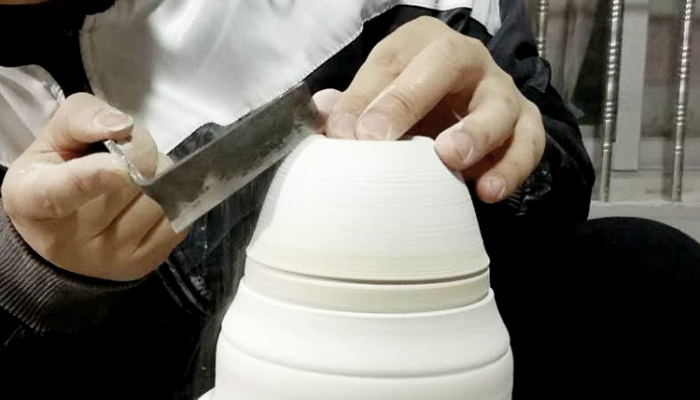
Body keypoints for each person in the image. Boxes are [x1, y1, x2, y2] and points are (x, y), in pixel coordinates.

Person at [0, 0, 697, 399]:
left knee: (645, 276)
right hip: (159, 370)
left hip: (432, 348)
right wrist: (33, 280)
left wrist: (499, 141)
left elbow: (556, 174)